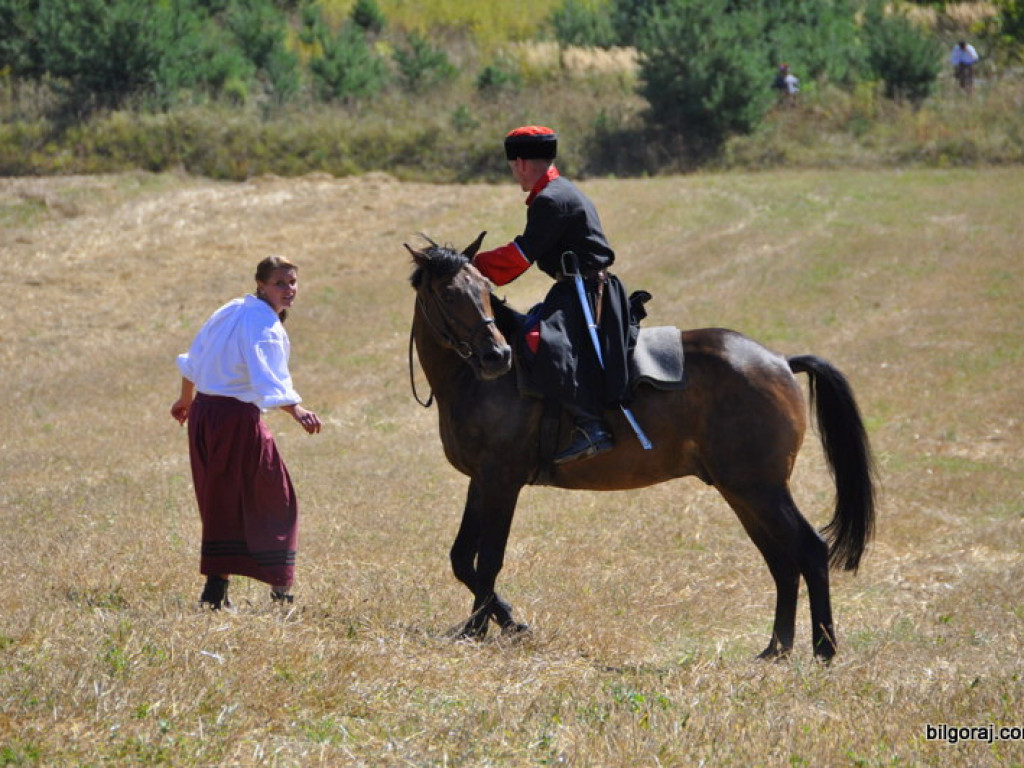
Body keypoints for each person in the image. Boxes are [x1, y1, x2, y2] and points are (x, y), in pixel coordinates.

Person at [472, 126, 633, 465]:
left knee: (537, 342)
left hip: (583, 290)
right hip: (577, 286)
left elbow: (520, 255)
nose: (514, 173)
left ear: (521, 163)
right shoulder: (558, 191)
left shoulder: (551, 199)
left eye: (513, 166)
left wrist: (472, 266)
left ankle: (590, 425)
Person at [170, 255, 322, 610]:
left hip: (205, 415)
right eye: (280, 283)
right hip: (235, 420)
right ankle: (281, 593)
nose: (289, 290)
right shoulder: (263, 325)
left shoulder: (231, 308)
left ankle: (215, 593)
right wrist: (297, 410)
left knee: (220, 500)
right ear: (261, 284)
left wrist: (186, 399)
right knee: (278, 501)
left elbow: (195, 358)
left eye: (292, 282)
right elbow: (266, 376)